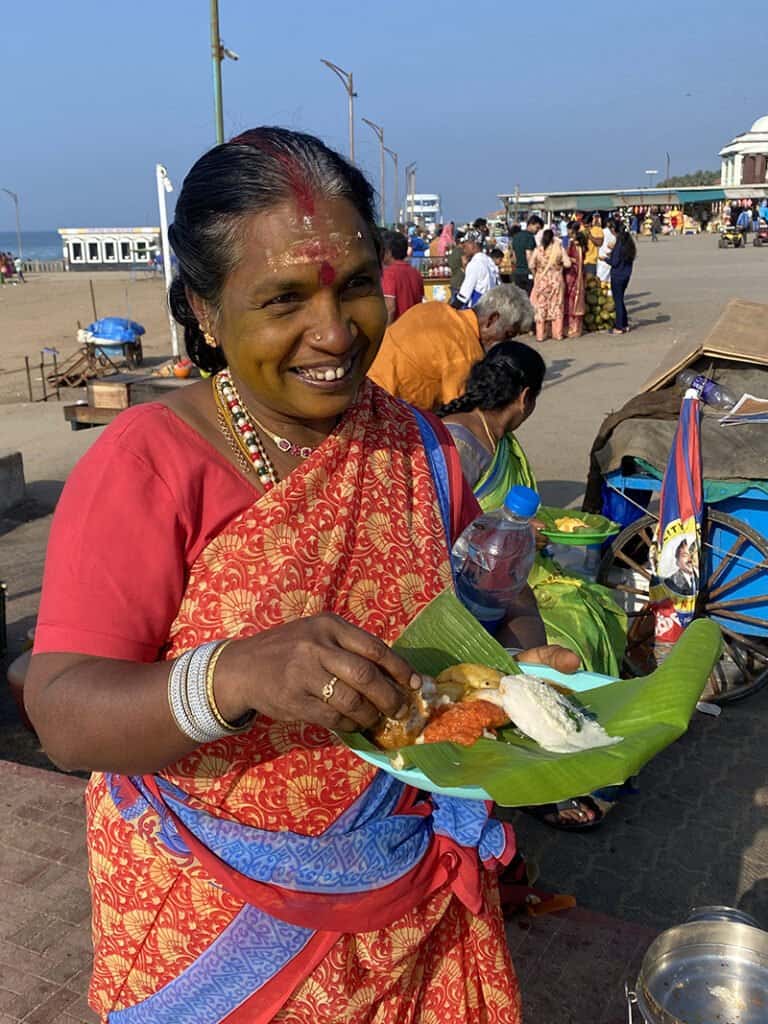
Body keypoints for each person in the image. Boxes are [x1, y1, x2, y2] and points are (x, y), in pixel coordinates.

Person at [25, 127, 579, 1023]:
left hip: (409, 902)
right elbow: (62, 711)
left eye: (357, 286)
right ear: (203, 312)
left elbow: (490, 602)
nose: (334, 333)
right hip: (220, 925)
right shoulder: (146, 466)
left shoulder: (424, 447)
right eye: (282, 299)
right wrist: (235, 674)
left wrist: (534, 669)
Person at [438, 342, 627, 828]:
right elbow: (439, 530)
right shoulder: (460, 444)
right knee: (565, 636)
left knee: (591, 611)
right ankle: (533, 779)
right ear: (525, 398)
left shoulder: (495, 439)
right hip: (460, 583)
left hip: (509, 574)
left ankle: (554, 757)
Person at [369, 283, 533, 410]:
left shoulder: (434, 307)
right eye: (508, 335)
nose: (506, 344)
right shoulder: (467, 353)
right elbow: (457, 416)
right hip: (381, 409)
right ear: (491, 320)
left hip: (364, 384)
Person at [528, 228, 570, 341]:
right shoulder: (558, 249)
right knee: (556, 306)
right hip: (556, 281)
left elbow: (531, 265)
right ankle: (557, 334)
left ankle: (540, 335)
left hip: (541, 281)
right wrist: (558, 265)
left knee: (541, 307)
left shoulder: (538, 250)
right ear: (553, 238)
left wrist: (538, 273)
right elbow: (567, 263)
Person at [380, 229, 424, 323]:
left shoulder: (389, 274)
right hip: (413, 327)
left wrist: (385, 333)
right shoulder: (415, 273)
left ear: (389, 252)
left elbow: (390, 308)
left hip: (397, 330)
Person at [452, 230, 499, 308]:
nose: (464, 248)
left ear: (472, 244)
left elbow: (463, 296)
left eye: (465, 245)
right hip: (491, 306)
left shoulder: (475, 264)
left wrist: (450, 310)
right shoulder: (489, 261)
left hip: (478, 310)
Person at [607, 218, 636, 336]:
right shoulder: (627, 242)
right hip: (626, 274)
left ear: (614, 229)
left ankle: (619, 326)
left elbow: (615, 262)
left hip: (617, 275)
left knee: (617, 301)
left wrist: (606, 259)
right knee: (621, 299)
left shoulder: (619, 243)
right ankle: (625, 323)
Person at [563, 222, 586, 338]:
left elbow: (575, 259)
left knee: (571, 301)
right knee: (576, 300)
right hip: (579, 274)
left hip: (572, 274)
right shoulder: (581, 242)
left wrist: (565, 258)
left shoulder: (574, 243)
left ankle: (572, 328)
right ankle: (576, 328)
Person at [511, 216, 540, 294]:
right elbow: (529, 255)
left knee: (520, 299)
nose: (537, 230)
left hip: (517, 273)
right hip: (527, 272)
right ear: (530, 224)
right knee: (530, 297)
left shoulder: (515, 237)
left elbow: (514, 258)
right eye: (537, 227)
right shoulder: (530, 237)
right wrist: (534, 273)